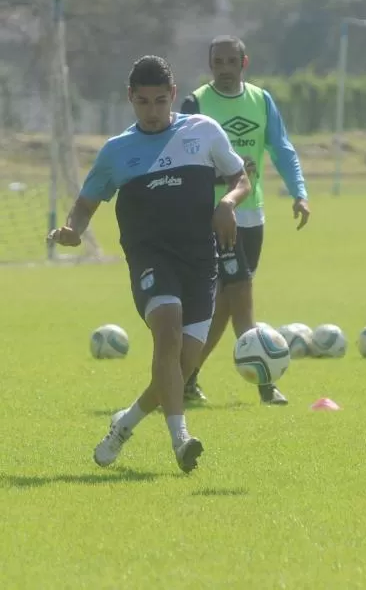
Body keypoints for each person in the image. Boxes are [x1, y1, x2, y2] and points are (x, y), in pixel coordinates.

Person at [48, 55, 250, 473]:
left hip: (199, 260)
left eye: (160, 101)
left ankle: (125, 423)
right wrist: (72, 229)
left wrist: (228, 203)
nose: (152, 112)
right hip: (150, 257)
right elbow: (86, 203)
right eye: (143, 102)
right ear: (130, 99)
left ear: (174, 95)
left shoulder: (203, 131)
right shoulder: (117, 151)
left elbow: (241, 177)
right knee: (167, 329)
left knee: (180, 367)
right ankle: (181, 440)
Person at [180, 36, 310, 406]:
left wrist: (299, 192)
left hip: (253, 215)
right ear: (210, 65)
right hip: (214, 216)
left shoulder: (261, 100)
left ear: (243, 63)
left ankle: (185, 377)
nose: (223, 68)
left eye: (230, 61)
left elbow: (282, 148)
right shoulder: (196, 103)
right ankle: (265, 383)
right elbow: (183, 160)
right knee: (241, 292)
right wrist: (224, 179)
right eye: (217, 62)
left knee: (224, 301)